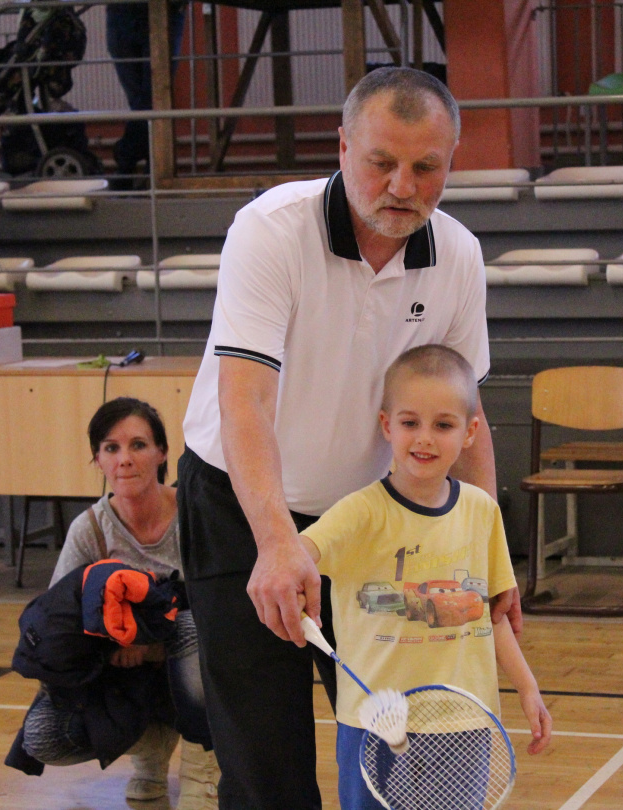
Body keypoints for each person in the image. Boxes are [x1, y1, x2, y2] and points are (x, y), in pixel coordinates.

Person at [177, 66, 521, 809]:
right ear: (342, 147)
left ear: (451, 162)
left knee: (398, 746)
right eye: (381, 162)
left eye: (426, 167)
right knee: (264, 762)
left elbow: (467, 417)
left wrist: (483, 556)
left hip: (374, 525)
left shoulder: (458, 254)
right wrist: (278, 543)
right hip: (241, 510)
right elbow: (245, 401)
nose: (402, 186)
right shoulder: (272, 229)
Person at [298, 345, 552, 809]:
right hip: (374, 722)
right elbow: (297, 558)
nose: (425, 439)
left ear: (470, 432)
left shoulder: (482, 512)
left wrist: (527, 685)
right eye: (410, 422)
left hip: (463, 722)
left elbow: (487, 614)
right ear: (387, 426)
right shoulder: (359, 512)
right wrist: (290, 579)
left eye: (443, 425)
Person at [12, 397, 219, 809]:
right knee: (42, 736)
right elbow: (54, 628)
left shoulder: (195, 515)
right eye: (111, 448)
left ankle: (203, 776)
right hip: (122, 672)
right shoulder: (89, 529)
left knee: (194, 625)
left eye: (138, 445)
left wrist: (151, 642)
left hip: (198, 663)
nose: (125, 459)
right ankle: (150, 751)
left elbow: (223, 609)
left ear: (162, 453)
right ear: (98, 460)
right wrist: (114, 646)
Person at [106, 0, 186, 184]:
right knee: (144, 100)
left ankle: (128, 159)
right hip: (122, 11)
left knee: (150, 98)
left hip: (163, 10)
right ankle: (146, 165)